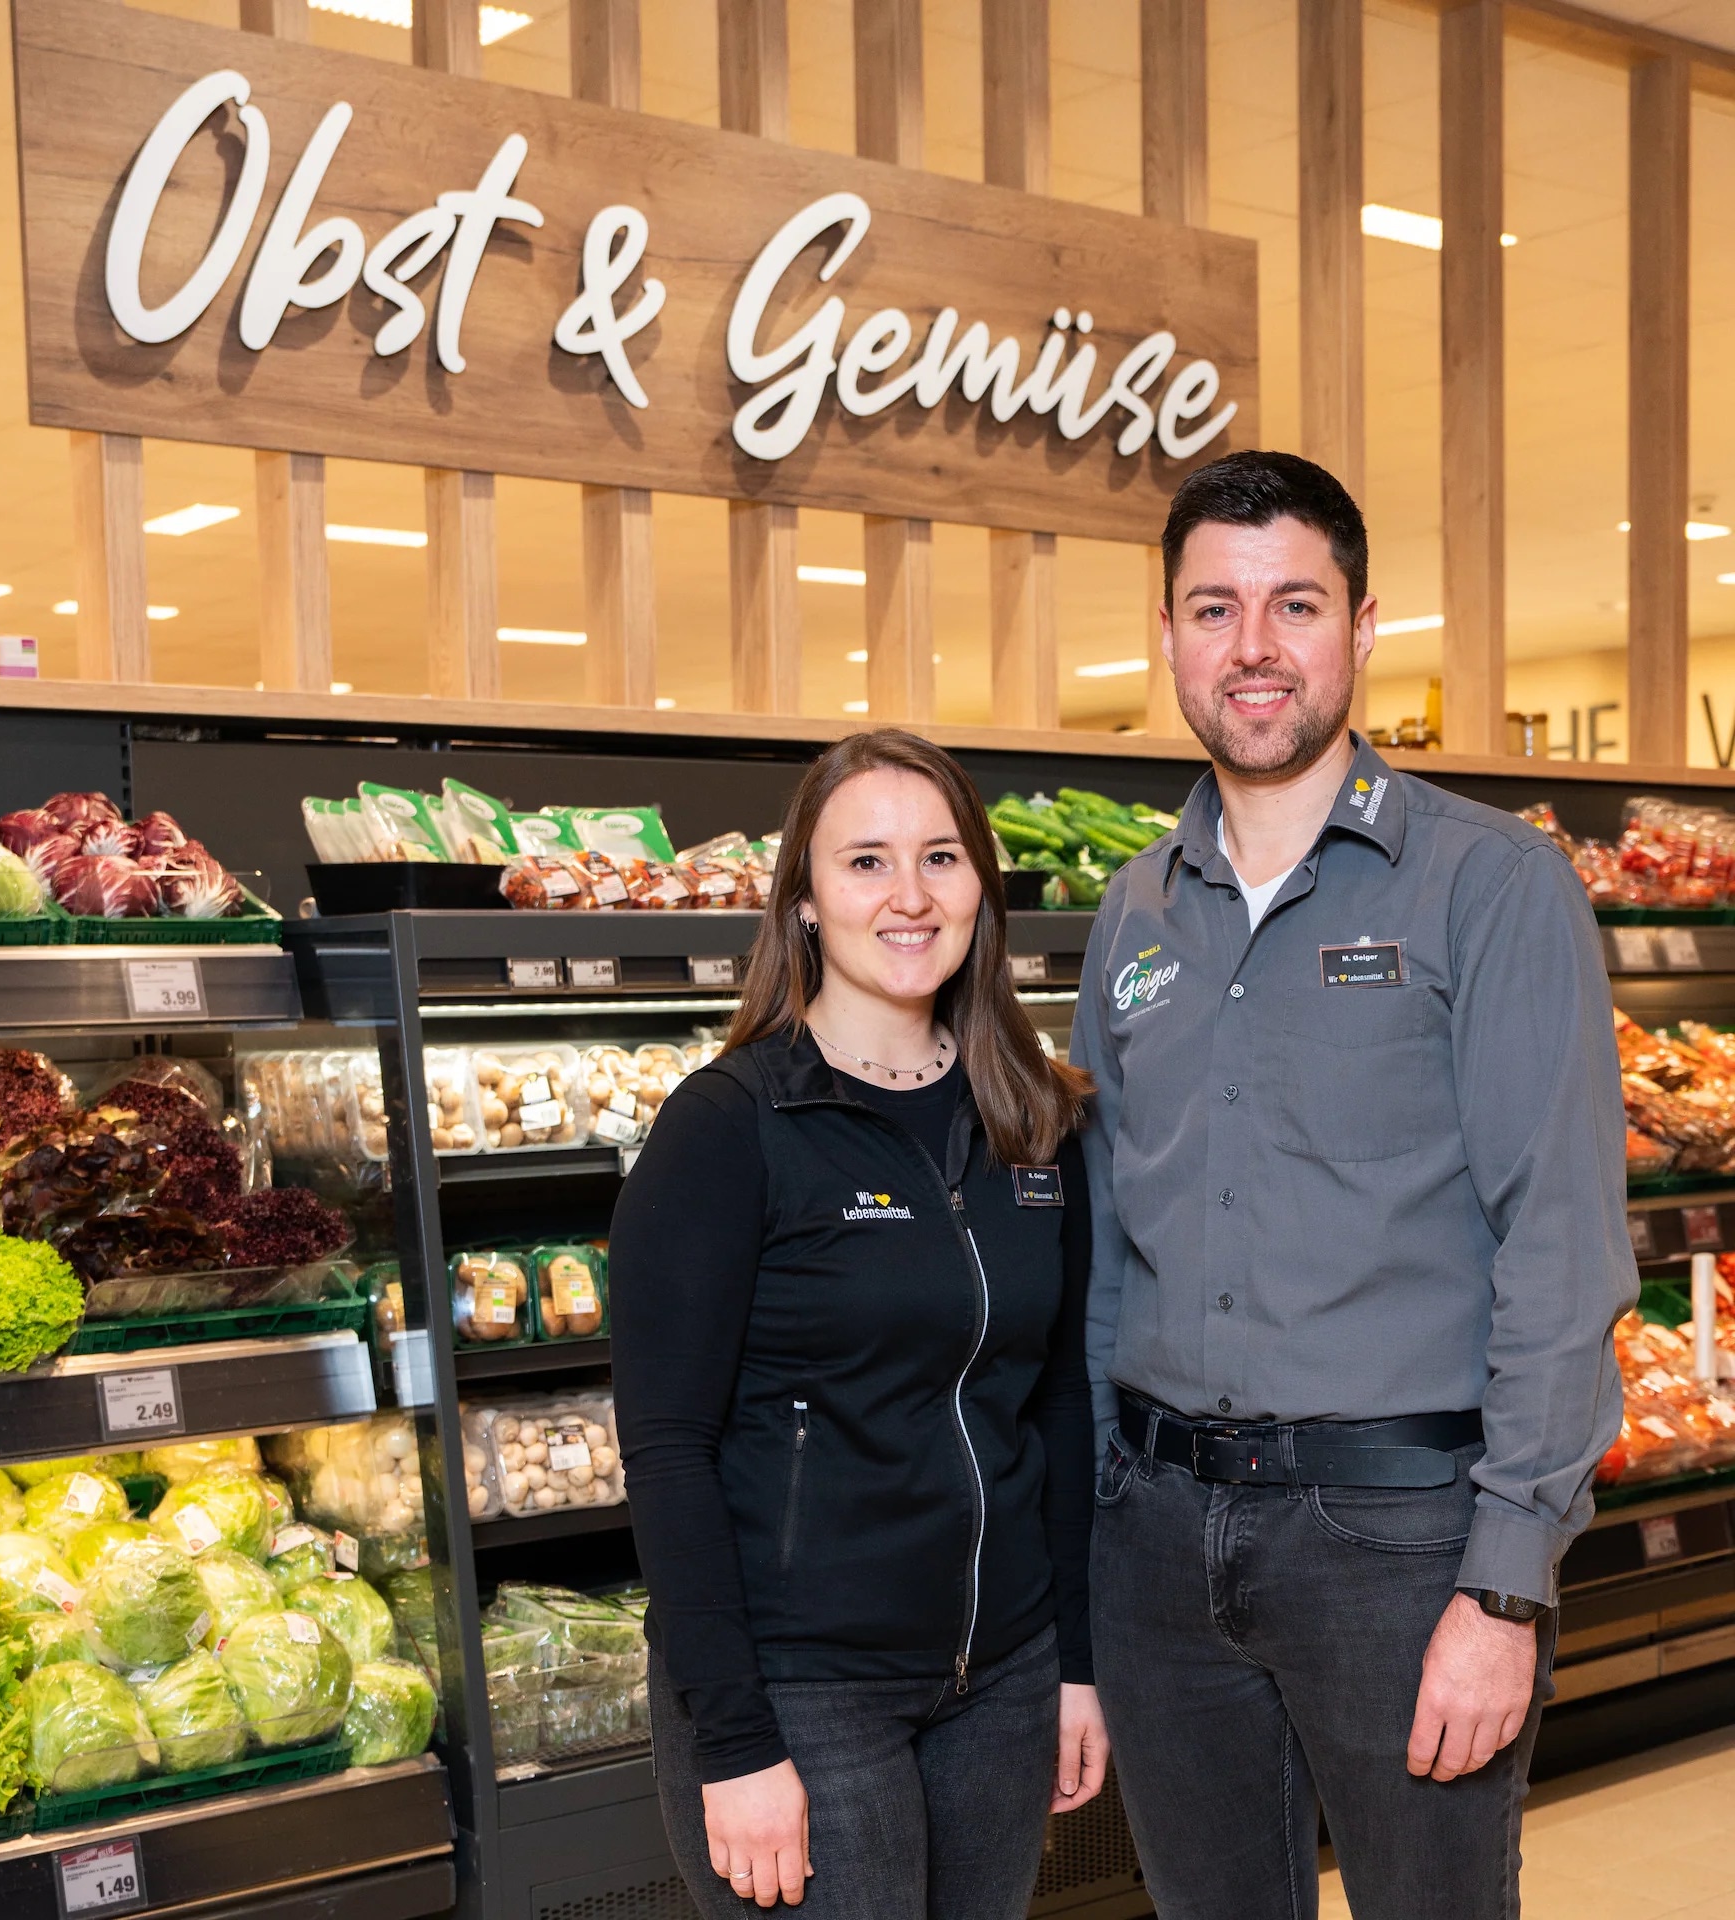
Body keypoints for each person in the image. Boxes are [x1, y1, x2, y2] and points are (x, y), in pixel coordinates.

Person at [1072, 449, 1635, 1918]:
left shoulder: (1492, 885)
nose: (1253, 648)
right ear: (1171, 638)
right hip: (1156, 1538)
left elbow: (1564, 1251)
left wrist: (1504, 1590)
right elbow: (1107, 1252)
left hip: (1400, 1548)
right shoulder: (1133, 908)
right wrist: (1095, 1536)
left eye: (1293, 605)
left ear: (1363, 628)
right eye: (1214, 609)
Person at [610, 729, 1105, 1916]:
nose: (909, 896)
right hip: (801, 1690)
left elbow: (1061, 1404)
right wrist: (733, 1741)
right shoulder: (730, 1126)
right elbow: (666, 1450)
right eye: (867, 862)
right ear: (804, 903)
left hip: (1002, 1677)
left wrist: (1077, 1665)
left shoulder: (1037, 1121)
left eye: (941, 858)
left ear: (983, 891)